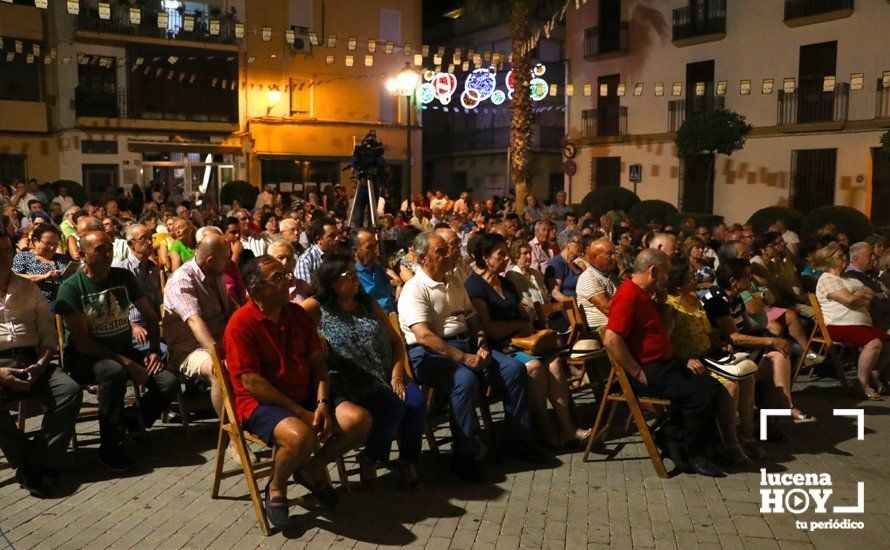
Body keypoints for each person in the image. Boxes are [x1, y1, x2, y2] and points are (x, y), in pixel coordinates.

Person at [224, 256, 371, 528]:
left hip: (304, 392)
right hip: (260, 402)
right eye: (278, 278)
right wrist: (301, 413)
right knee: (300, 436)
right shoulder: (241, 323)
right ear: (256, 290)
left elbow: (318, 362)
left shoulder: (297, 314)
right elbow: (252, 382)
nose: (288, 281)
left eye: (287, 274)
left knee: (359, 420)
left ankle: (312, 468)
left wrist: (322, 403)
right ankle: (277, 486)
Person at [398, 231, 543, 484]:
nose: (447, 256)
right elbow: (424, 336)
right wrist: (463, 358)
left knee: (513, 370)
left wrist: (481, 342)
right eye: (440, 252)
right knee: (464, 381)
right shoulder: (415, 289)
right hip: (431, 353)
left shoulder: (453, 282)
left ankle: (516, 439)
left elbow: (472, 317)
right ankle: (463, 456)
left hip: (465, 343)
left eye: (447, 250)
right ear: (423, 258)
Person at [55, 231, 179, 471]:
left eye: (110, 247)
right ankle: (109, 448)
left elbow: (151, 316)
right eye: (100, 249)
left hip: (123, 348)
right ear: (82, 254)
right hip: (86, 357)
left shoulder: (123, 277)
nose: (108, 253)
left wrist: (153, 350)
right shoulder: (71, 288)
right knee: (113, 372)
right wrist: (128, 364)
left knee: (167, 381)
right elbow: (83, 343)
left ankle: (132, 420)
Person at [301, 251, 425, 487]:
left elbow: (395, 341)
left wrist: (398, 372)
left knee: (416, 403)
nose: (354, 279)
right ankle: (371, 458)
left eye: (354, 273)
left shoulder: (368, 303)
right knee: (392, 406)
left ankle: (407, 460)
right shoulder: (317, 307)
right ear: (331, 280)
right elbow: (289, 319)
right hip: (352, 379)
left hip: (388, 371)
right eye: (348, 275)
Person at [604, 249, 725, 477]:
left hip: (664, 364)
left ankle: (672, 436)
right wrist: (637, 372)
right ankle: (692, 452)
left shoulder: (644, 294)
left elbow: (660, 332)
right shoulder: (628, 295)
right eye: (666, 274)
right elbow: (611, 338)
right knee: (700, 395)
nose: (668, 280)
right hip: (649, 370)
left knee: (711, 385)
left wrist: (661, 304)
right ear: (654, 271)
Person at [465, 233, 587, 448]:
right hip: (499, 346)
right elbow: (488, 328)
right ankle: (544, 428)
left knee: (556, 365)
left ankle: (567, 428)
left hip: (524, 341)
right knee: (535, 368)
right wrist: (518, 326)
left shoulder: (505, 282)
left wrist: (526, 316)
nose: (506, 259)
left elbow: (519, 310)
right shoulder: (474, 287)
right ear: (486, 258)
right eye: (500, 254)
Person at [0, 232, 82, 497]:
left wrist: (42, 361)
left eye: (7, 251)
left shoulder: (27, 286)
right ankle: (29, 461)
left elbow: (48, 333)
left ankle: (35, 461)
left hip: (33, 358)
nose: (4, 257)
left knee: (69, 391)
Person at [665, 263, 762, 465]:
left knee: (747, 378)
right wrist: (685, 359)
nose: (697, 279)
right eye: (691, 276)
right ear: (678, 283)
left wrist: (721, 345)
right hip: (689, 363)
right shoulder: (670, 307)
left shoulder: (695, 301)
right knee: (730, 386)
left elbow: (708, 331)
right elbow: (664, 342)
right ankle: (731, 442)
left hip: (709, 355)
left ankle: (748, 435)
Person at [701, 259, 813, 423]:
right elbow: (734, 337)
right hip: (721, 353)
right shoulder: (718, 300)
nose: (751, 279)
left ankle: (774, 416)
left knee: (780, 357)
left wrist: (770, 337)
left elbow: (747, 327)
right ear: (733, 281)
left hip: (736, 349)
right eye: (747, 276)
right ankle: (778, 414)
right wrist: (771, 342)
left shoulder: (735, 298)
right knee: (777, 361)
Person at [163, 234, 236, 416]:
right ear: (210, 260)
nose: (228, 262)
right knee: (219, 370)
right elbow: (195, 321)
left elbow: (229, 308)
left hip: (219, 339)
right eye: (225, 259)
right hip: (188, 349)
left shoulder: (215, 273)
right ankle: (231, 436)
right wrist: (216, 354)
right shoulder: (182, 280)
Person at [813, 243, 890, 399]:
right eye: (839, 256)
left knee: (888, 342)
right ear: (828, 260)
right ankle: (862, 384)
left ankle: (873, 373)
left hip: (861, 324)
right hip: (839, 324)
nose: (844, 258)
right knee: (874, 343)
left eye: (844, 255)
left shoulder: (849, 277)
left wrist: (859, 296)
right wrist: (859, 297)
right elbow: (849, 301)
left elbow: (870, 295)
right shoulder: (827, 279)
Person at [112, 224, 164, 355]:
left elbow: (159, 302)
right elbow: (114, 309)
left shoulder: (153, 269)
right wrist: (132, 326)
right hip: (132, 329)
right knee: (164, 352)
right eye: (144, 239)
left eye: (151, 239)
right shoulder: (121, 270)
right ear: (131, 243)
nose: (149, 242)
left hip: (153, 326)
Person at [13, 225, 73, 304]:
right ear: (35, 241)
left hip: (66, 302)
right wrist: (44, 276)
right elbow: (15, 278)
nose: (52, 248)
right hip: (37, 304)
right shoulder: (24, 257)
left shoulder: (64, 259)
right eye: (48, 243)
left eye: (55, 244)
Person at [575, 238, 619, 330]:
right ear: (595, 257)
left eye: (614, 254)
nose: (614, 258)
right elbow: (608, 309)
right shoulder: (588, 278)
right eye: (609, 254)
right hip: (599, 330)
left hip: (615, 325)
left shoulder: (611, 276)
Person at [352, 228, 396, 314]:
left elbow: (389, 296)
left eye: (375, 245)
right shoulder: (352, 275)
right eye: (369, 247)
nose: (375, 251)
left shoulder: (379, 269)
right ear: (355, 251)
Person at [506, 240, 548, 322]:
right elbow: (519, 300)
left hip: (545, 316)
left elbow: (545, 294)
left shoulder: (535, 272)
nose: (529, 256)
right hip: (530, 319)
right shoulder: (512, 275)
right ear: (516, 256)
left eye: (530, 253)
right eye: (525, 253)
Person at [294, 216, 340, 291]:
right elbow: (306, 292)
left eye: (337, 234)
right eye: (331, 236)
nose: (337, 238)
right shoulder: (305, 261)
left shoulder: (339, 256)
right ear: (319, 239)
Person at [545, 231, 583, 300]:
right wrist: (572, 305)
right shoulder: (556, 263)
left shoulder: (576, 266)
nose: (581, 245)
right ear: (567, 245)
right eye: (578, 242)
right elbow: (555, 293)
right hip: (568, 308)